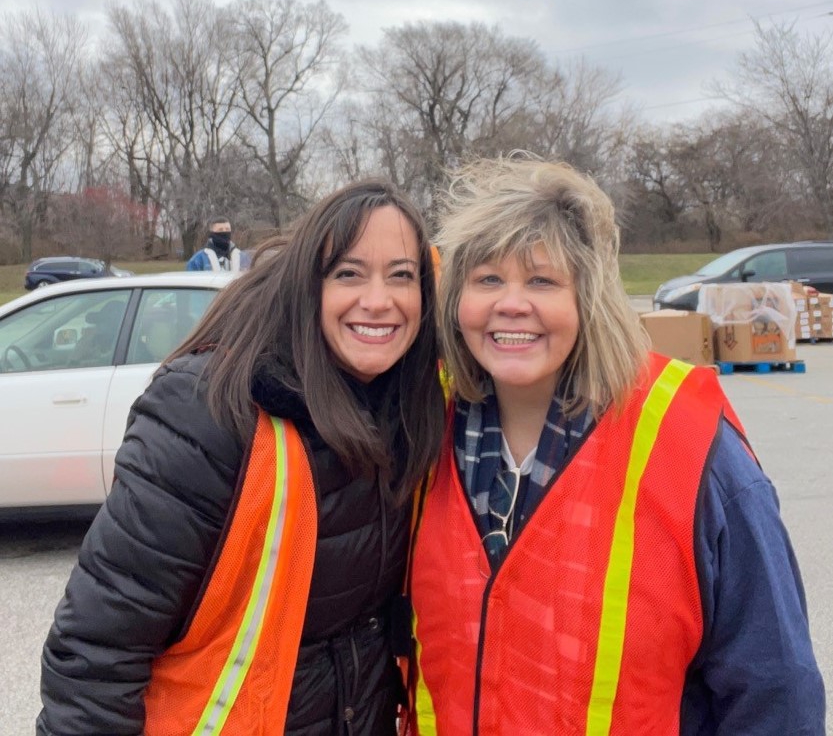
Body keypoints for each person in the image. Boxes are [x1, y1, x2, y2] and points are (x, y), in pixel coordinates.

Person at [407, 156, 825, 735]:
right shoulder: (422, 434)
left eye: (542, 280)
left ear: (590, 298)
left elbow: (774, 687)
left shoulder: (690, 445)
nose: (511, 303)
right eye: (487, 279)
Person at [38, 179, 446, 735]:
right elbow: (95, 652)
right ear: (308, 286)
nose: (379, 300)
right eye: (348, 273)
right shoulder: (210, 414)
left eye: (401, 275)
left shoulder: (410, 410)